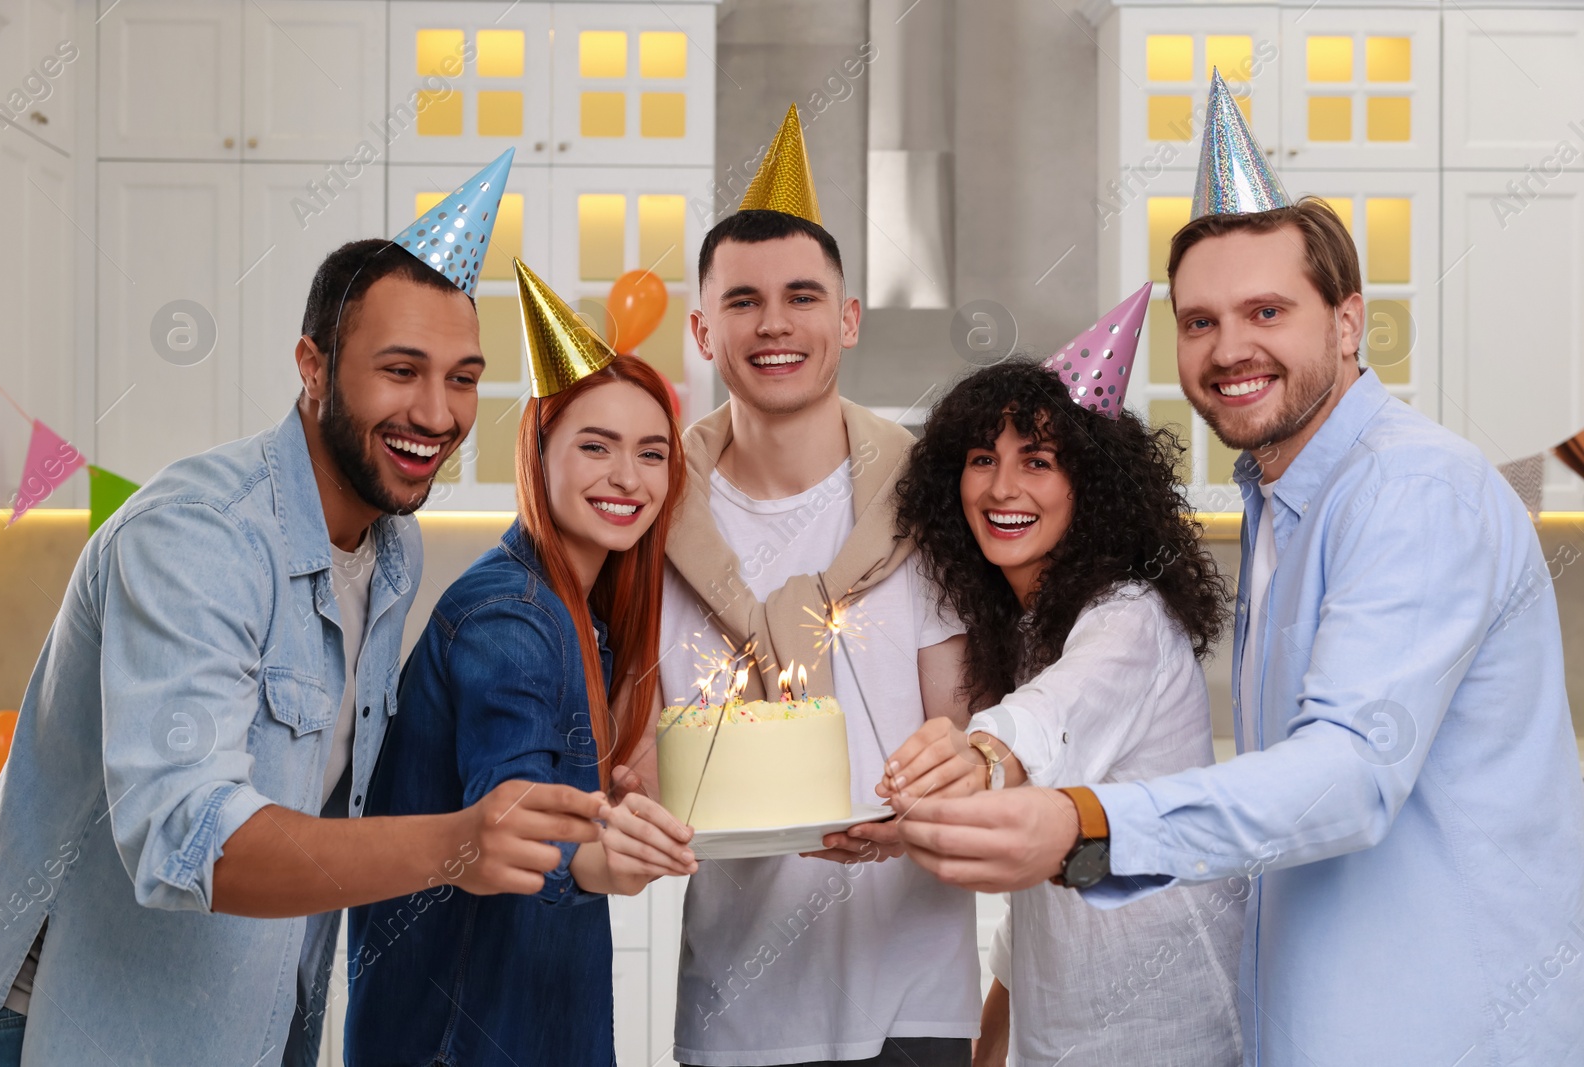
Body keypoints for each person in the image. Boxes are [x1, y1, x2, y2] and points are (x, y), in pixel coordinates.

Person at [891, 72, 1584, 1064]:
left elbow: (1347, 773)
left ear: (1347, 322)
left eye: (1266, 310)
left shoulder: (1412, 489)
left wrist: (1085, 823)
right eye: (1202, 319)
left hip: (1446, 1029)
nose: (1228, 347)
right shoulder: (1279, 501)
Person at [0, 154, 605, 1067]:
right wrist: (456, 844)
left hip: (252, 1024)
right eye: (401, 370)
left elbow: (338, 801)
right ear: (312, 367)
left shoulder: (391, 546)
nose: (437, 412)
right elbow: (188, 837)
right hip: (68, 1026)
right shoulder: (197, 537)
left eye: (464, 378)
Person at [631, 104, 979, 1067]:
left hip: (916, 991)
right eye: (742, 301)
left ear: (848, 317)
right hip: (739, 1001)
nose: (774, 323)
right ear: (702, 330)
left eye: (802, 295)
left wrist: (914, 818)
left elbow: (955, 724)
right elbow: (633, 748)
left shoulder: (929, 506)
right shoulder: (651, 519)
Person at [345, 265, 697, 1064]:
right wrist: (612, 860)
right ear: (538, 454)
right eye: (596, 446)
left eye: (650, 453)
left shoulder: (580, 610)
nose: (627, 477)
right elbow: (513, 821)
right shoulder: (510, 615)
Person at [882, 350, 1243, 1065]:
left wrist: (977, 751)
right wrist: (994, 1040)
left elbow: (1046, 719)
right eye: (983, 457)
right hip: (1060, 1030)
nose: (1003, 486)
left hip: (1171, 1025)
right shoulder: (1020, 632)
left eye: (1038, 460)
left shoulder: (1127, 616)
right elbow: (1047, 879)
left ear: (1093, 485)